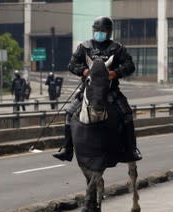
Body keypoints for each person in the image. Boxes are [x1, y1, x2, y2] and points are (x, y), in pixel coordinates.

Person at [52, 16, 142, 162]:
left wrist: (116, 73)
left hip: (110, 92)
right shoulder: (85, 47)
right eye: (97, 30)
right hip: (88, 92)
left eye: (103, 30)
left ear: (109, 32)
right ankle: (67, 149)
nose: (99, 32)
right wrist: (83, 71)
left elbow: (130, 66)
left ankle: (131, 149)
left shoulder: (117, 48)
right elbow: (71, 65)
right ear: (93, 30)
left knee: (127, 114)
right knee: (69, 114)